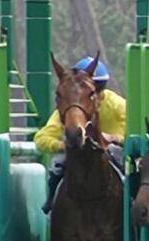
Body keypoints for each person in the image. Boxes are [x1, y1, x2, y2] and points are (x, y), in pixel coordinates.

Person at [35, 56, 127, 213]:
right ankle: (51, 202)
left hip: (111, 150)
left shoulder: (118, 105)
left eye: (97, 89)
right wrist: (62, 145)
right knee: (57, 163)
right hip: (77, 153)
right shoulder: (70, 108)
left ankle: (130, 202)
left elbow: (136, 134)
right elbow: (41, 138)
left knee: (128, 166)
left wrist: (114, 138)